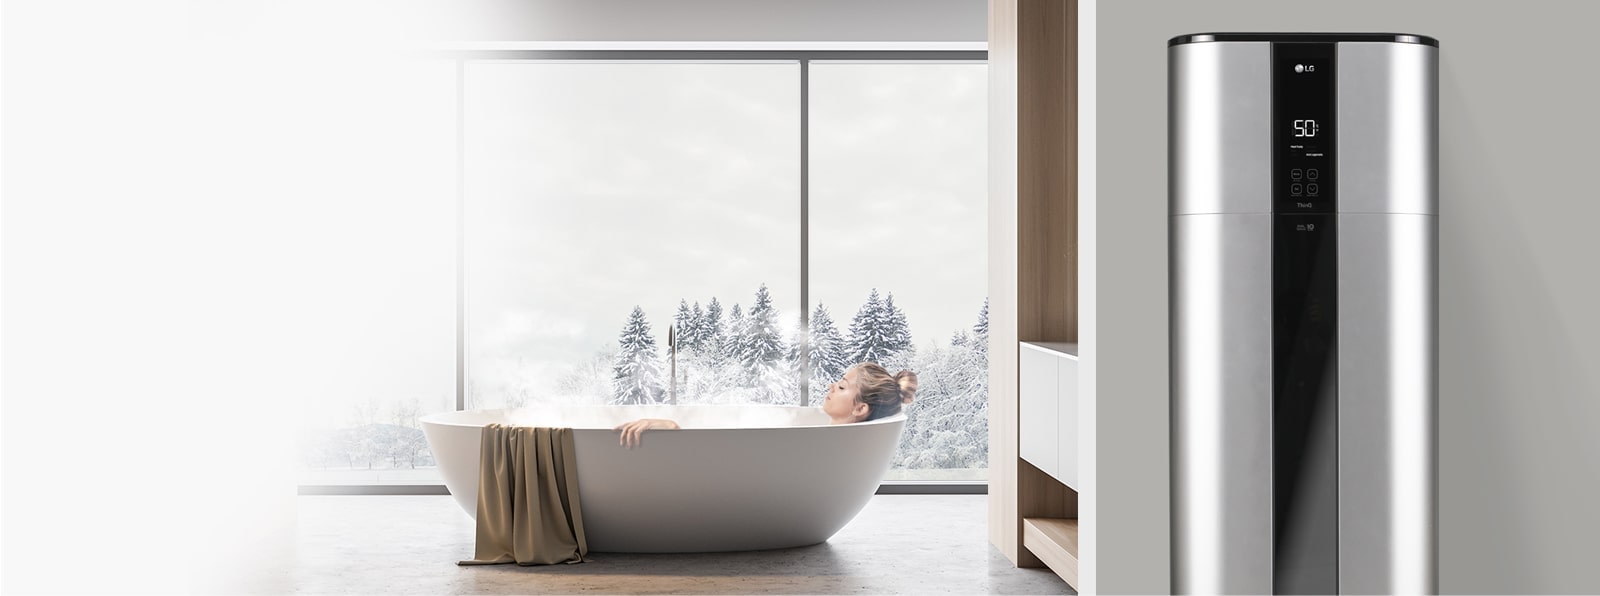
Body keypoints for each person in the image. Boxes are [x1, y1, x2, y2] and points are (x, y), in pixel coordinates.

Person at [613, 362, 918, 447]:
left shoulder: (814, 441)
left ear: (859, 409)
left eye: (841, 386)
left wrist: (673, 428)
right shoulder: (812, 433)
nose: (830, 386)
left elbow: (721, 453)